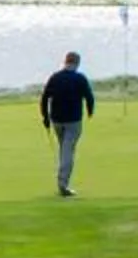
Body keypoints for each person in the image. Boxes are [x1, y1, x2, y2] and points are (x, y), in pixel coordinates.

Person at [39, 51, 96, 197]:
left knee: (64, 148)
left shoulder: (55, 78)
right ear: (77, 63)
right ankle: (63, 185)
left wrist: (45, 117)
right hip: (73, 121)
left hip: (56, 120)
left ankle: (62, 180)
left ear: (65, 62)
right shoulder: (80, 78)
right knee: (67, 151)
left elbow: (45, 98)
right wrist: (90, 111)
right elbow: (89, 97)